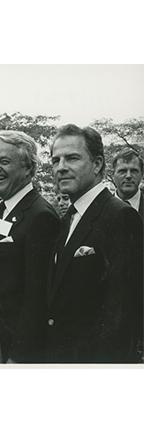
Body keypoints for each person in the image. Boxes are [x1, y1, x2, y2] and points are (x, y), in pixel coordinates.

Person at [47, 124, 143, 363]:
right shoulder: (68, 216)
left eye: (72, 158)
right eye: (55, 160)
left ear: (97, 164)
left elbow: (123, 310)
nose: (61, 168)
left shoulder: (120, 215)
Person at [0, 131, 60, 363]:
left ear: (29, 169)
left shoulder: (41, 216)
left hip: (13, 349)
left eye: (4, 161)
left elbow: (37, 297)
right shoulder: (3, 208)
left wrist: (19, 357)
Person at [112, 149, 144, 219]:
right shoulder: (99, 208)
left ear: (142, 175)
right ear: (113, 175)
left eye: (134, 171)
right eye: (122, 171)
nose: (128, 176)